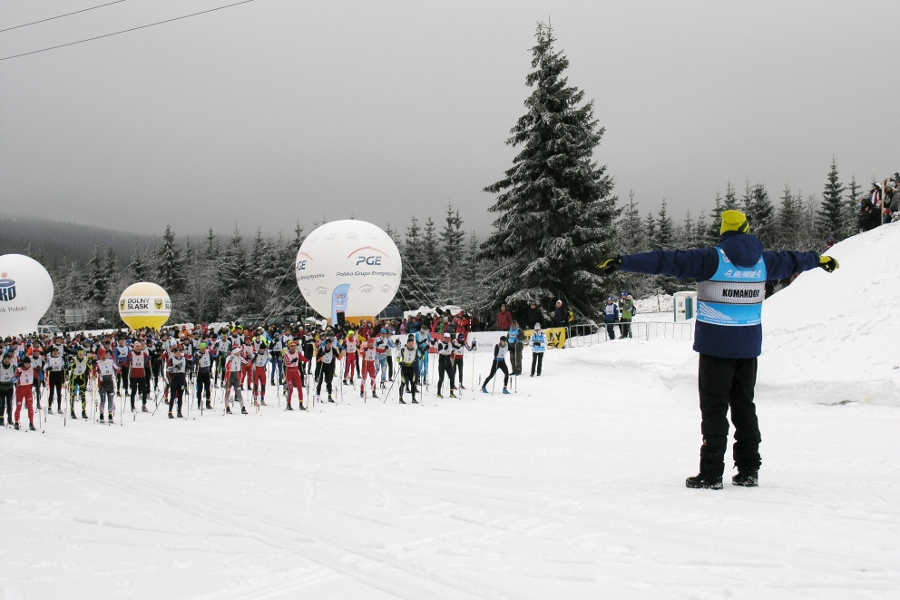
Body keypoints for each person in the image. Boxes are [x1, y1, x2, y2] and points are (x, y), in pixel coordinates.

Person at [600, 209, 839, 489]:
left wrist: (623, 262)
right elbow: (794, 259)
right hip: (748, 348)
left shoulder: (713, 259)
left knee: (714, 410)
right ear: (747, 230)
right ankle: (749, 470)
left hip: (715, 348)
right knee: (744, 407)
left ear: (724, 232)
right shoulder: (765, 261)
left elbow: (668, 260)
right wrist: (820, 260)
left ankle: (712, 473)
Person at [12, 355, 37, 430]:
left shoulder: (32, 369)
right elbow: (12, 380)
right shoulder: (19, 369)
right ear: (23, 364)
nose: (27, 365)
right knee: (19, 407)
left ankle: (31, 423)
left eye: (29, 364)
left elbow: (39, 377)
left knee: (30, 407)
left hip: (28, 390)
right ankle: (16, 422)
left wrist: (40, 371)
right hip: (20, 390)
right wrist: (17, 376)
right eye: (26, 364)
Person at [282, 340, 309, 410]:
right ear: (289, 347)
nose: (293, 348)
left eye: (294, 346)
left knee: (300, 388)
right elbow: (287, 363)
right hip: (289, 372)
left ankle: (301, 404)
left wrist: (308, 356)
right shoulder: (286, 354)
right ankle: (288, 404)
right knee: (290, 390)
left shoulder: (298, 353)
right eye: (292, 346)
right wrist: (292, 361)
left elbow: (305, 359)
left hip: (296, 372)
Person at [93, 348, 118, 423]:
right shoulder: (98, 363)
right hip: (102, 383)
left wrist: (120, 369)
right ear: (99, 356)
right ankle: (101, 414)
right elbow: (94, 372)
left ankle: (110, 415)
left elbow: (116, 368)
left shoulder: (110, 361)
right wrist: (93, 371)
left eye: (105, 355)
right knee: (103, 399)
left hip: (110, 382)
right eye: (102, 355)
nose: (103, 356)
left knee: (110, 399)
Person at [222, 348, 248, 414]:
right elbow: (226, 366)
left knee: (239, 392)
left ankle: (243, 407)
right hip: (229, 376)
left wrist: (249, 358)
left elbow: (246, 363)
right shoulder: (230, 357)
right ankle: (227, 407)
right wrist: (230, 361)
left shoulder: (240, 357)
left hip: (236, 377)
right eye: (238, 351)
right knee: (228, 392)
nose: (239, 353)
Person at [396, 335, 419, 404]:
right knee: (403, 382)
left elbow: (420, 357)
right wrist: (400, 362)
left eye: (412, 343)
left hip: (411, 367)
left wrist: (423, 353)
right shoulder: (403, 349)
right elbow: (397, 357)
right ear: (407, 343)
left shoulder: (415, 350)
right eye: (410, 343)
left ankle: (413, 398)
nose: (411, 345)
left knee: (413, 383)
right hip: (404, 367)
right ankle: (400, 398)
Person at [166, 347, 187, 418]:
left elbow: (186, 366)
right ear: (174, 353)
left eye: (179, 352)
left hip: (181, 377)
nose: (178, 353)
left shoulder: (184, 358)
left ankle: (179, 412)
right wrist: (175, 367)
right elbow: (168, 369)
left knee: (180, 396)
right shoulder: (172, 359)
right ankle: (170, 411)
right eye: (176, 352)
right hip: (174, 377)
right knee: (173, 395)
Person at [434, 332, 456, 399]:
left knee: (452, 376)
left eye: (449, 338)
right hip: (442, 362)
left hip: (448, 361)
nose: (449, 339)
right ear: (445, 338)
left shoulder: (450, 343)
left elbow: (453, 349)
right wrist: (444, 349)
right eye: (448, 338)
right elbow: (439, 351)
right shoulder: (441, 343)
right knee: (441, 378)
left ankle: (451, 393)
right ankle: (438, 393)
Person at [0, 352, 14, 427]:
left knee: (9, 403)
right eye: (5, 359)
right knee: (1, 404)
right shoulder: (0, 366)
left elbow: (19, 373)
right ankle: (1, 419)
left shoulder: (13, 366)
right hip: (1, 388)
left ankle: (10, 419)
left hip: (10, 387)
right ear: (3, 359)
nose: (7, 361)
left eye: (8, 359)